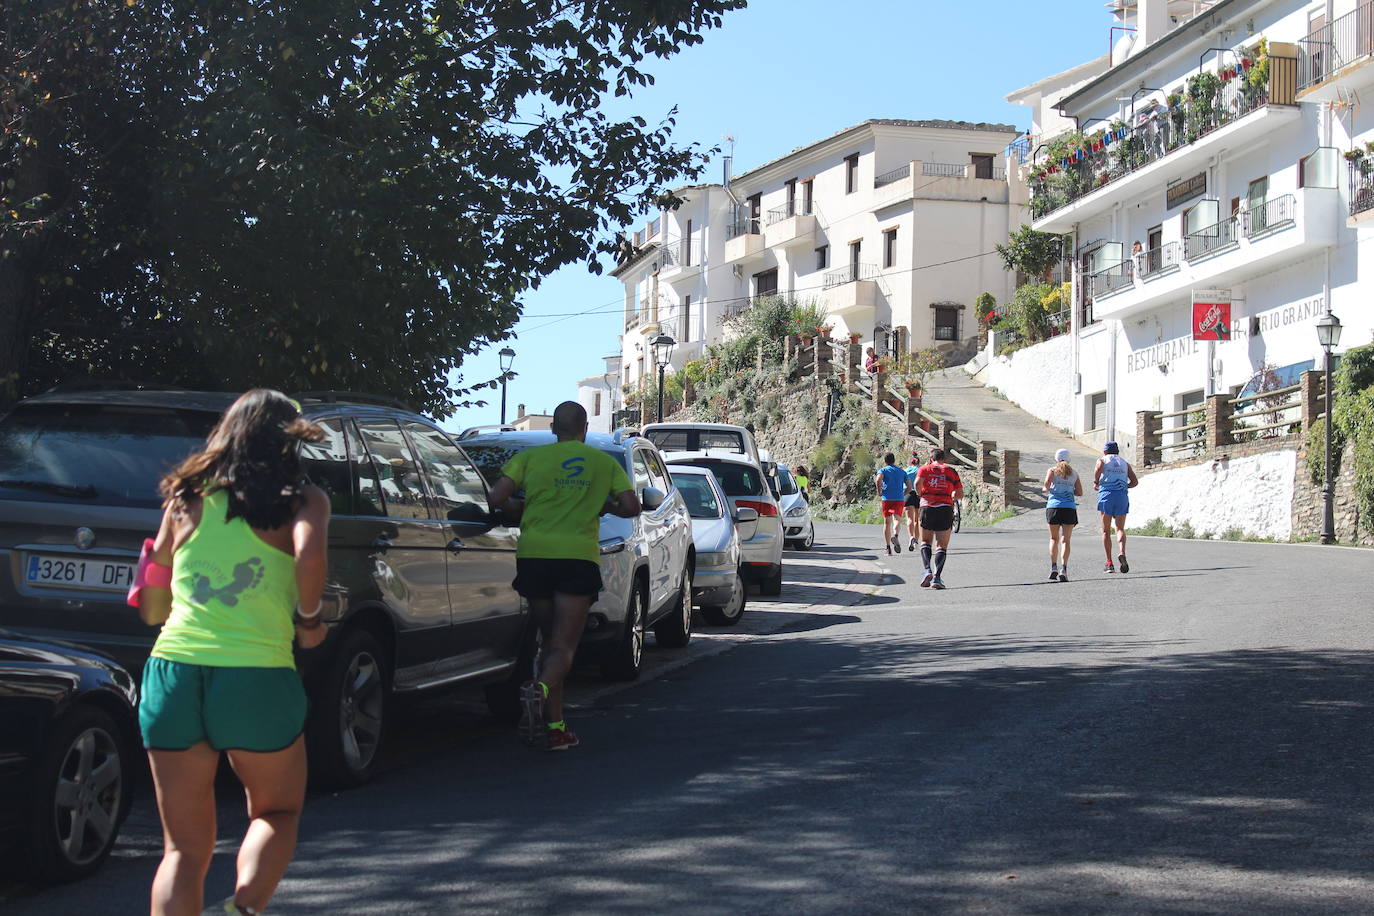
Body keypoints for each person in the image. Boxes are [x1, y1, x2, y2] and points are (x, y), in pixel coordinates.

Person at [131, 389, 330, 916]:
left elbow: (153, 607)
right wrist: (309, 621)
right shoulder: (303, 501)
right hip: (255, 676)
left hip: (173, 672)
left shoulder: (185, 497)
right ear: (291, 441)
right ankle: (240, 909)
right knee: (277, 811)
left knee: (181, 849)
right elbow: (309, 554)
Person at [487, 401, 640, 751]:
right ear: (584, 429)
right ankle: (537, 690)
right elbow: (632, 507)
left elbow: (497, 497)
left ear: (555, 429)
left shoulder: (530, 459)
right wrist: (605, 505)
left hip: (534, 555)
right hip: (576, 557)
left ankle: (556, 729)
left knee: (548, 641)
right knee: (564, 647)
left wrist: (520, 508)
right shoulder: (602, 463)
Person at [914, 448, 963, 589]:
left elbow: (917, 483)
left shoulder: (925, 469)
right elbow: (960, 493)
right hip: (945, 508)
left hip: (927, 508)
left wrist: (921, 494)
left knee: (925, 542)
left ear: (931, 459)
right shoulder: (951, 471)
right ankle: (936, 578)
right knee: (942, 546)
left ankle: (927, 570)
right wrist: (951, 495)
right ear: (944, 459)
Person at [1094, 440, 1139, 573]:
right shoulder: (1125, 463)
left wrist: (1096, 482)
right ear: (1118, 451)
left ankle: (1109, 563)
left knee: (1106, 531)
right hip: (1121, 496)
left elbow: (1097, 471)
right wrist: (1125, 486)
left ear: (1105, 451)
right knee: (1119, 528)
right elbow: (1135, 481)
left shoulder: (1102, 460)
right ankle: (1122, 552)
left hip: (1106, 496)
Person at [1043, 447, 1083, 582]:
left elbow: (1046, 486)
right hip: (1069, 508)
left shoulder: (1052, 471)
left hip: (1053, 507)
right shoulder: (1074, 474)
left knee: (1053, 539)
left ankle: (1053, 567)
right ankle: (1064, 569)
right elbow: (1079, 492)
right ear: (1069, 459)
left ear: (1056, 459)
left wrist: (1047, 489)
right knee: (1065, 540)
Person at [875, 452, 909, 556]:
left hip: (887, 498)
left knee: (887, 523)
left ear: (885, 461)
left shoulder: (883, 470)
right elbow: (909, 486)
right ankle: (896, 535)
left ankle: (888, 548)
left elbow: (878, 479)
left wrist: (879, 490)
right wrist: (903, 493)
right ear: (894, 460)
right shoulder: (901, 471)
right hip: (899, 498)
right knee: (897, 519)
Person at [903, 451, 922, 552]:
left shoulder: (905, 471)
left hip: (908, 494)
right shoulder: (920, 470)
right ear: (918, 462)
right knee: (917, 520)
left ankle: (911, 537)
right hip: (918, 494)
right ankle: (916, 540)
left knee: (909, 518)